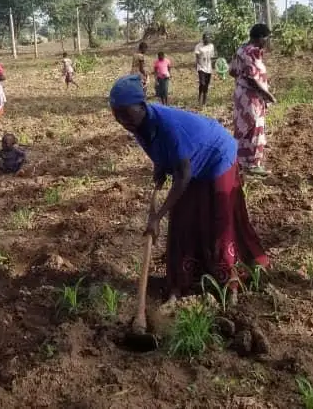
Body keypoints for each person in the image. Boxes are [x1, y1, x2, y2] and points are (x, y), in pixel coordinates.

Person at [109, 74, 269, 303]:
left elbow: (183, 176)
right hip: (191, 160)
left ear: (142, 106)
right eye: (117, 114)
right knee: (182, 220)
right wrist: (160, 167)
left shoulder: (168, 125)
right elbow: (159, 149)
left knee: (218, 219)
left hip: (217, 156)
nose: (123, 119)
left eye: (126, 112)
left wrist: (157, 216)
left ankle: (229, 282)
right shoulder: (137, 124)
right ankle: (182, 280)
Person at [229, 23, 276, 177]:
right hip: (251, 96)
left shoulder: (241, 50)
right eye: (266, 38)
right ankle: (253, 164)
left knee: (243, 127)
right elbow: (252, 78)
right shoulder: (251, 52)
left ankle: (241, 162)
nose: (267, 41)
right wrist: (267, 94)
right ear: (260, 38)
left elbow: (232, 71)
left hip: (242, 94)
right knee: (254, 128)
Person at [194, 33, 216, 107]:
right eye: (205, 39)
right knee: (202, 83)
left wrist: (215, 64)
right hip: (201, 67)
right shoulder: (198, 46)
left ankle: (204, 100)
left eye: (208, 39)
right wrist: (199, 63)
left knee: (206, 84)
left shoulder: (211, 46)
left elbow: (212, 57)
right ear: (203, 39)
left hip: (208, 67)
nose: (207, 40)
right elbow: (197, 56)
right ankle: (200, 96)